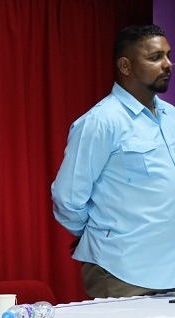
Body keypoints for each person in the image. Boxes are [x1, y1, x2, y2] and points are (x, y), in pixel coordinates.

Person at [51, 25, 175, 298]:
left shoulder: (172, 116)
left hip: (171, 269)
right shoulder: (101, 122)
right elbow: (67, 198)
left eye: (167, 55)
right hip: (124, 271)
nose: (168, 64)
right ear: (125, 66)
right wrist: (101, 233)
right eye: (156, 58)